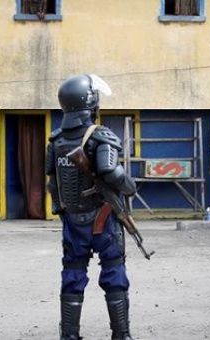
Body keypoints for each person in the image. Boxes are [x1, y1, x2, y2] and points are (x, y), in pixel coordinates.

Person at [46, 74, 137, 340]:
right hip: (103, 216)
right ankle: (121, 335)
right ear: (90, 104)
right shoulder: (99, 136)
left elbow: (53, 184)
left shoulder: (56, 140)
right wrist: (131, 188)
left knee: (72, 272)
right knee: (114, 270)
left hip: (72, 219)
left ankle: (69, 335)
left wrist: (61, 211)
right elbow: (112, 173)